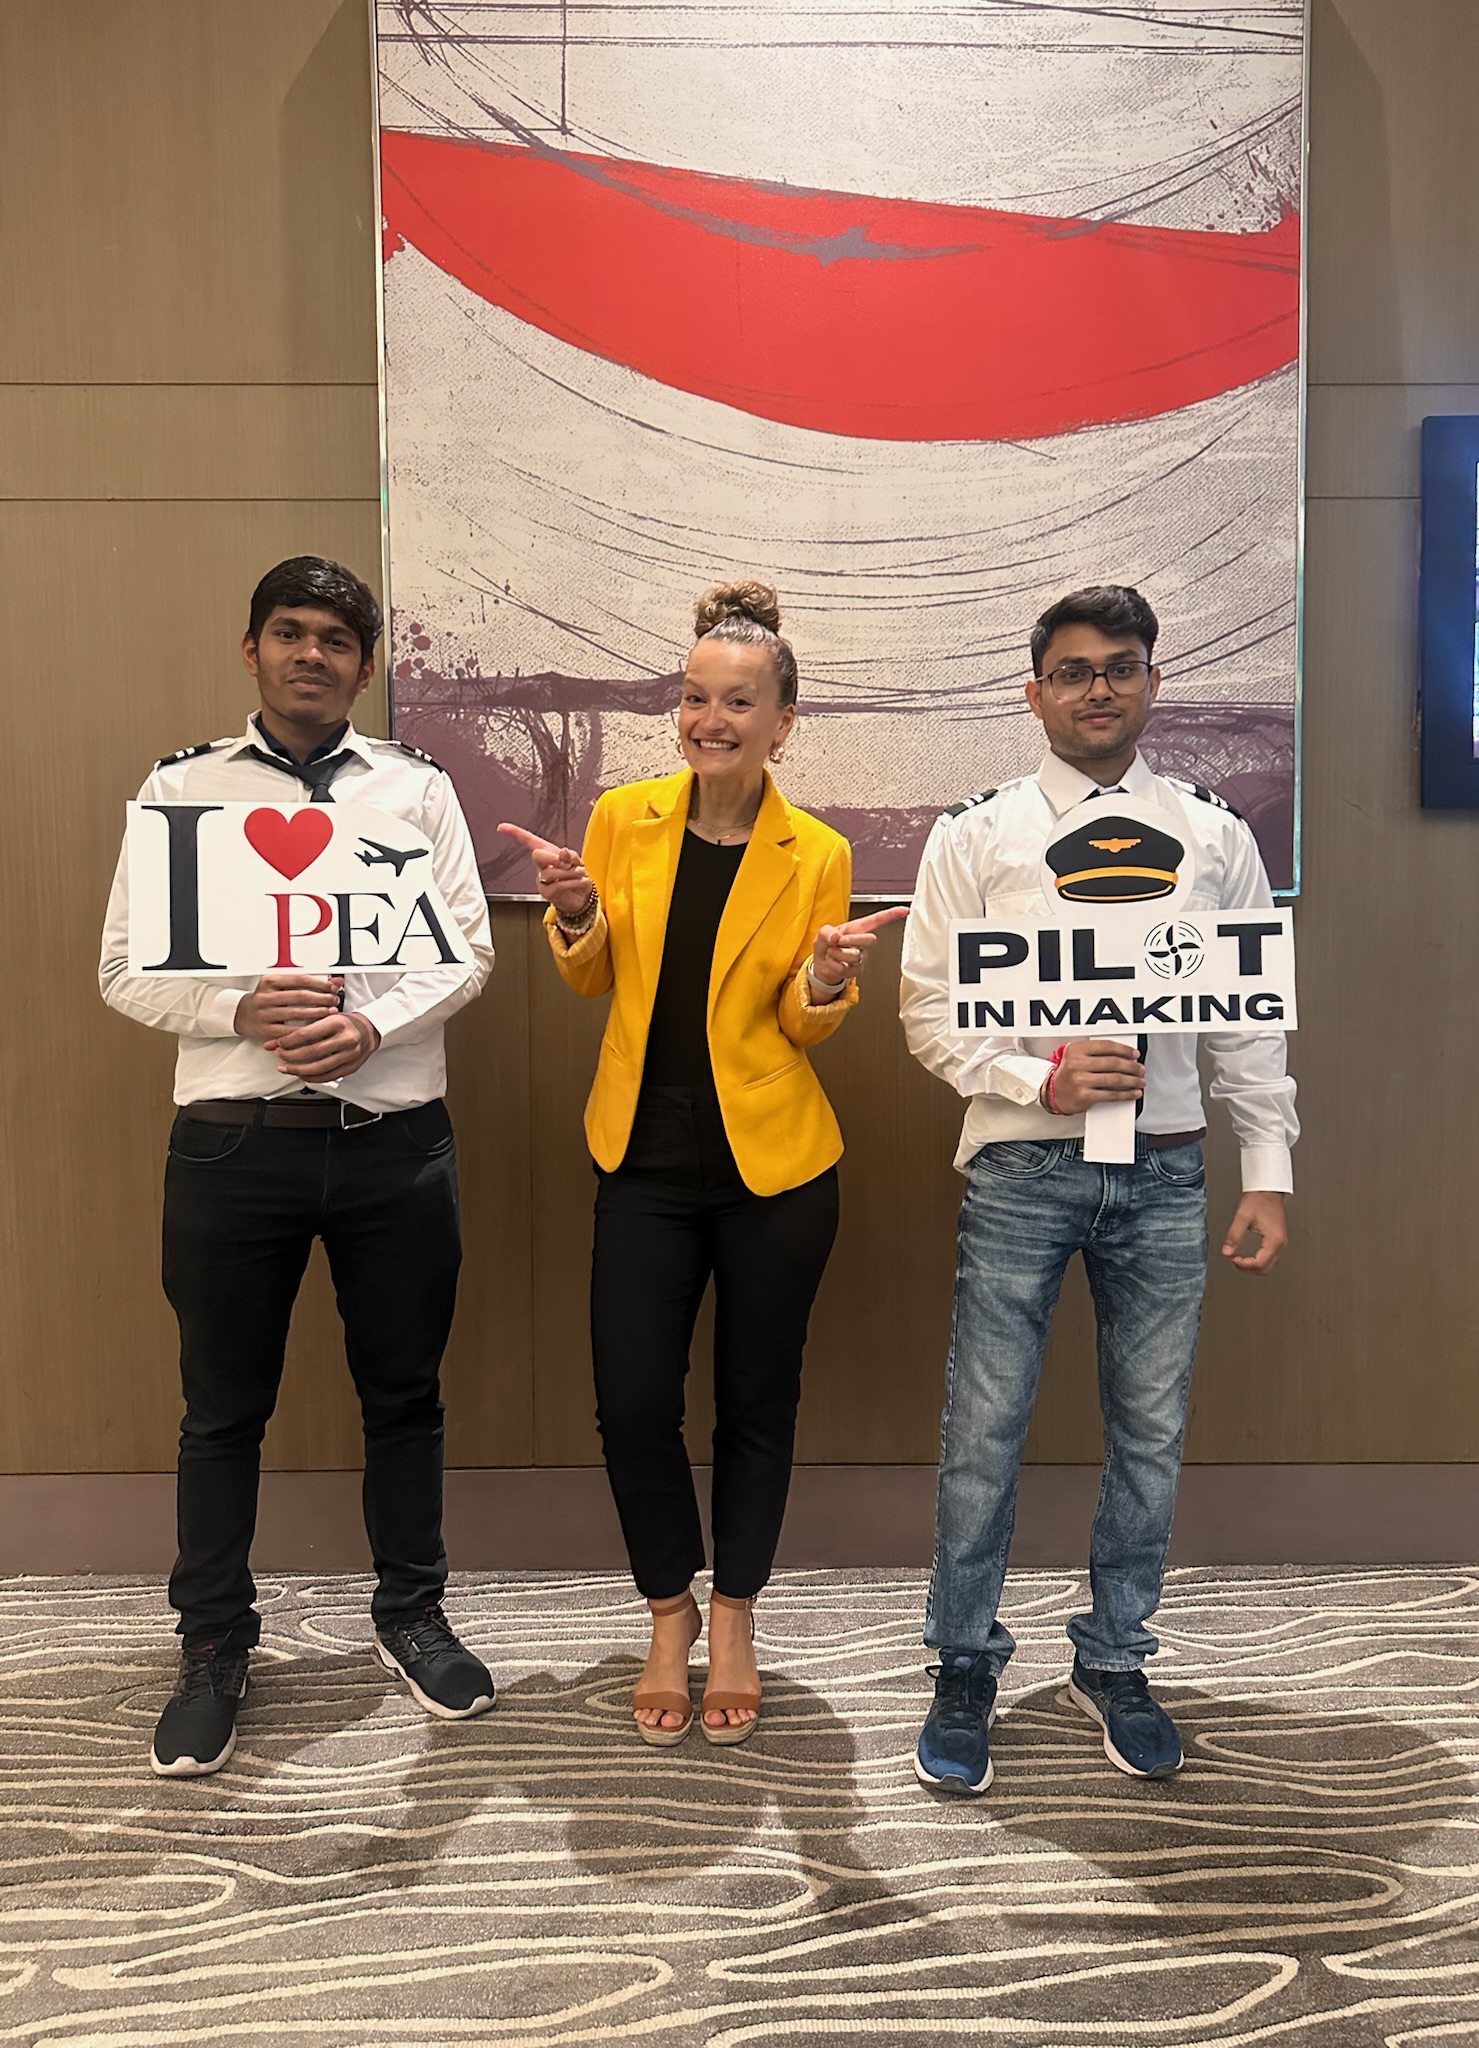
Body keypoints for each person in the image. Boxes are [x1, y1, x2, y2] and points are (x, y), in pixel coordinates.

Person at [100, 556, 497, 1776]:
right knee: (222, 1411)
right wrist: (241, 1007)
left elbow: (469, 953)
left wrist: (373, 1025)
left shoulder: (417, 788)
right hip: (232, 1149)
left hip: (394, 1144)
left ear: (365, 665)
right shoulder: (182, 789)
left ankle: (410, 1611)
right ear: (251, 649)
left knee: (406, 1397)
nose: (311, 654)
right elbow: (123, 968)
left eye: (336, 638)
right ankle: (215, 1642)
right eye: (289, 632)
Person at [899, 583, 1298, 1793]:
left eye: (1121, 667)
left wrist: (1267, 1169)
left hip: (1170, 1170)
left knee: (1153, 1433)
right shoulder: (976, 834)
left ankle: (1115, 1655)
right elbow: (927, 1008)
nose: (1098, 688)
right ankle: (963, 1658)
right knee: (984, 1433)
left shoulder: (1216, 834)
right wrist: (1040, 1074)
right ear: (1035, 692)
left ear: (1152, 684)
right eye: (1072, 671)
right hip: (1024, 1164)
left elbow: (1249, 1025)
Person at [503, 581, 904, 1748]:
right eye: (693, 698)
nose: (709, 719)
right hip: (642, 1149)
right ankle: (667, 1609)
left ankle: (735, 1619)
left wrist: (828, 979)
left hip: (775, 1161)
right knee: (631, 1402)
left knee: (756, 1402)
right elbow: (589, 977)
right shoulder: (623, 819)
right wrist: (572, 914)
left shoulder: (815, 849)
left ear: (785, 721)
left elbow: (799, 1015)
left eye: (738, 701)